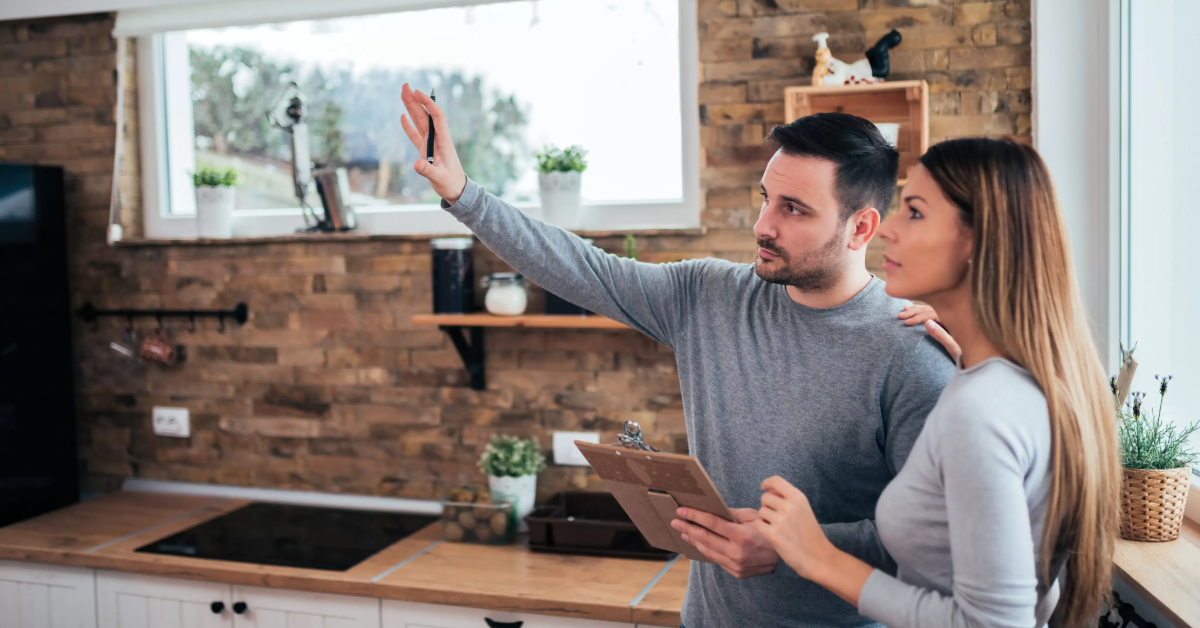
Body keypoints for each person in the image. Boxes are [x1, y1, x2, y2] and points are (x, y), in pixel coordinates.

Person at [398, 84, 955, 628]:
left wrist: (793, 545)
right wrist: (462, 193)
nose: (763, 225)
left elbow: (935, 542)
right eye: (765, 198)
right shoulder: (710, 295)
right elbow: (581, 267)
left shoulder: (911, 353)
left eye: (794, 209)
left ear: (861, 227)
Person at [750, 138, 1121, 628]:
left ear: (978, 240)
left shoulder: (982, 410)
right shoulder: (1011, 383)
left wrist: (818, 556)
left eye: (916, 213)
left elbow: (994, 624)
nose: (888, 231)